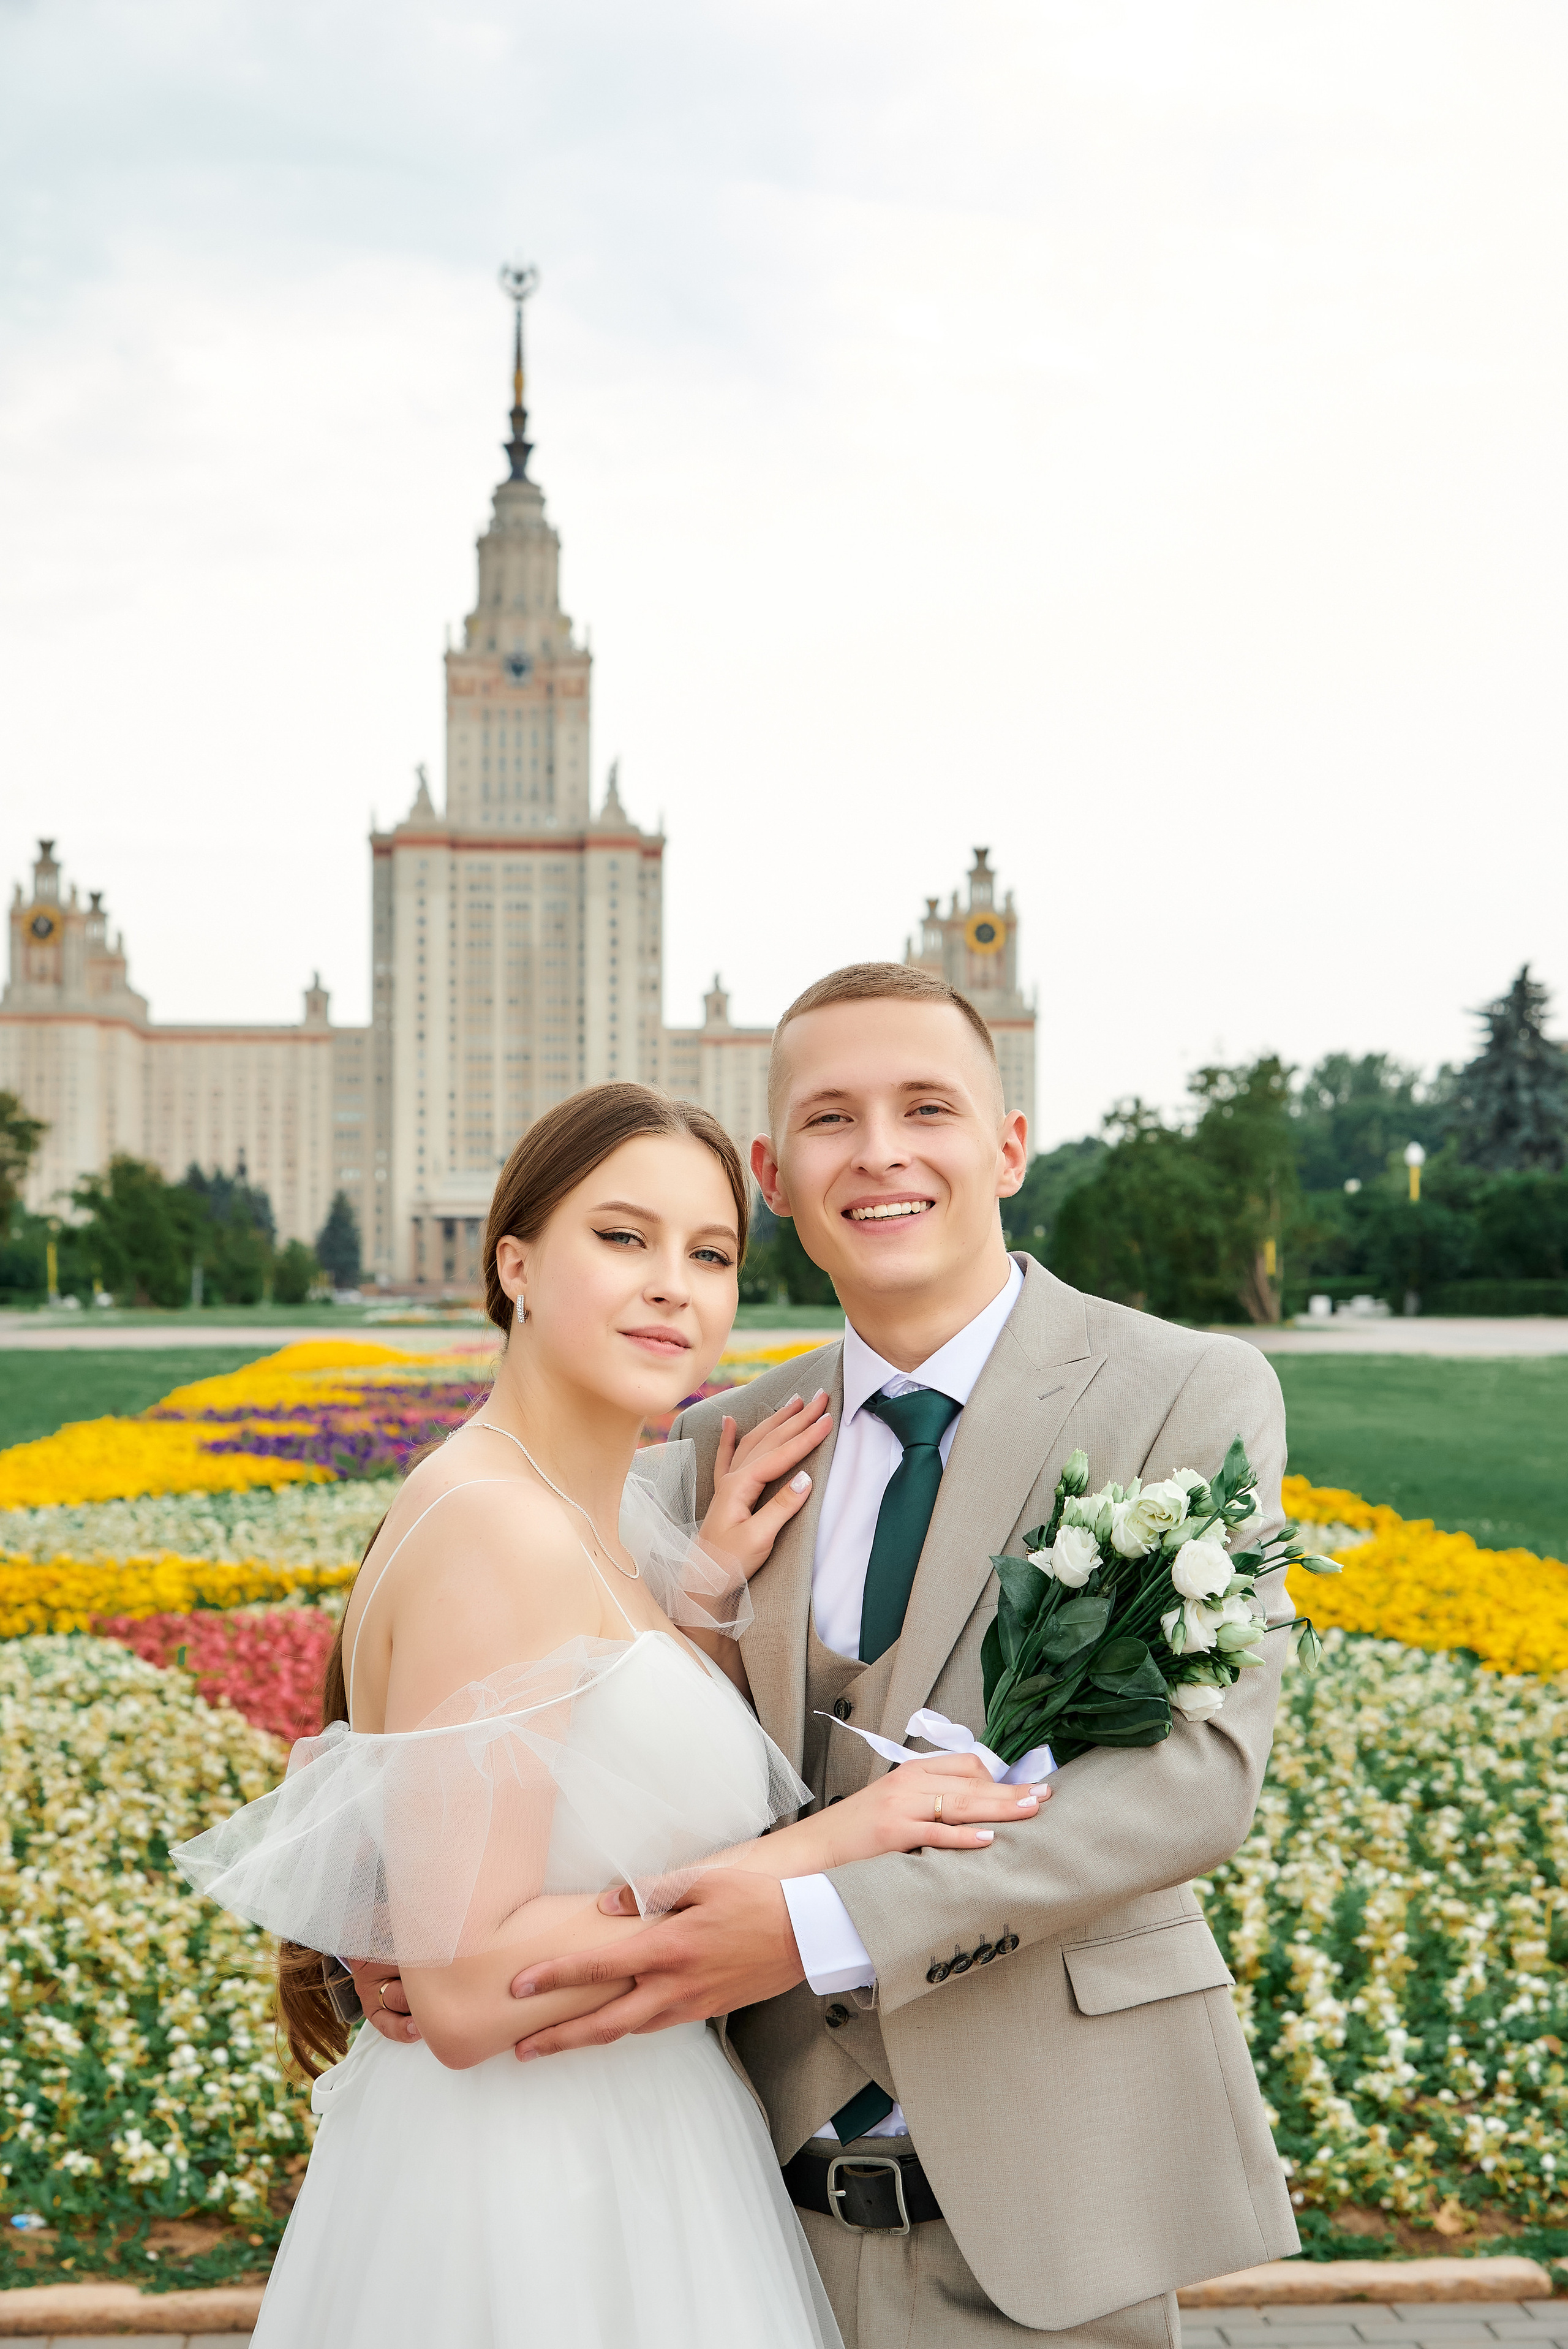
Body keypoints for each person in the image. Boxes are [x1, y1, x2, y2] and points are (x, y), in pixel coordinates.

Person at [363, 963, 1301, 2347]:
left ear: (1006, 1143)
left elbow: (1191, 1781)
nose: (880, 1152)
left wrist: (815, 1920)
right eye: (828, 1119)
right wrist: (399, 1923)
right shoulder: (697, 1446)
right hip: (732, 2208)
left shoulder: (1182, 1392)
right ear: (775, 1176)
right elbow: (525, 1723)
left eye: (925, 1106)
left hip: (1042, 2210)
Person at [174, 1083, 1041, 2349]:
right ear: (514, 1261)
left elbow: (567, 1766)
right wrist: (835, 1839)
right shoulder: (495, 1528)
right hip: (537, 2192)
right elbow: (468, 1995)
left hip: (631, 2147)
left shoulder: (581, 1520)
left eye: (709, 1254)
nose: (671, 1287)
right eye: (622, 1238)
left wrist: (689, 1604)